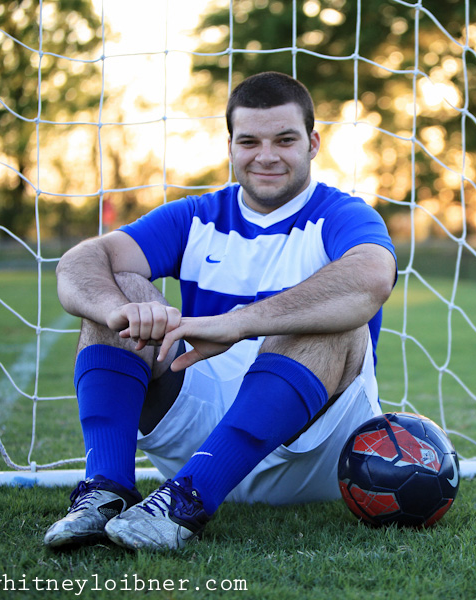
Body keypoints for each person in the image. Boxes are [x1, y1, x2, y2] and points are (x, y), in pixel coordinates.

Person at [42, 72, 397, 551]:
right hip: (196, 432)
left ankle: (190, 500)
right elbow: (79, 263)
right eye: (249, 141)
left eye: (285, 140)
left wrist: (239, 323)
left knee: (334, 319)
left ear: (313, 143)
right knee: (123, 287)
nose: (266, 156)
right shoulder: (195, 217)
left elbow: (372, 277)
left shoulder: (342, 215)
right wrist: (116, 312)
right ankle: (106, 492)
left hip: (313, 451)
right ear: (230, 146)